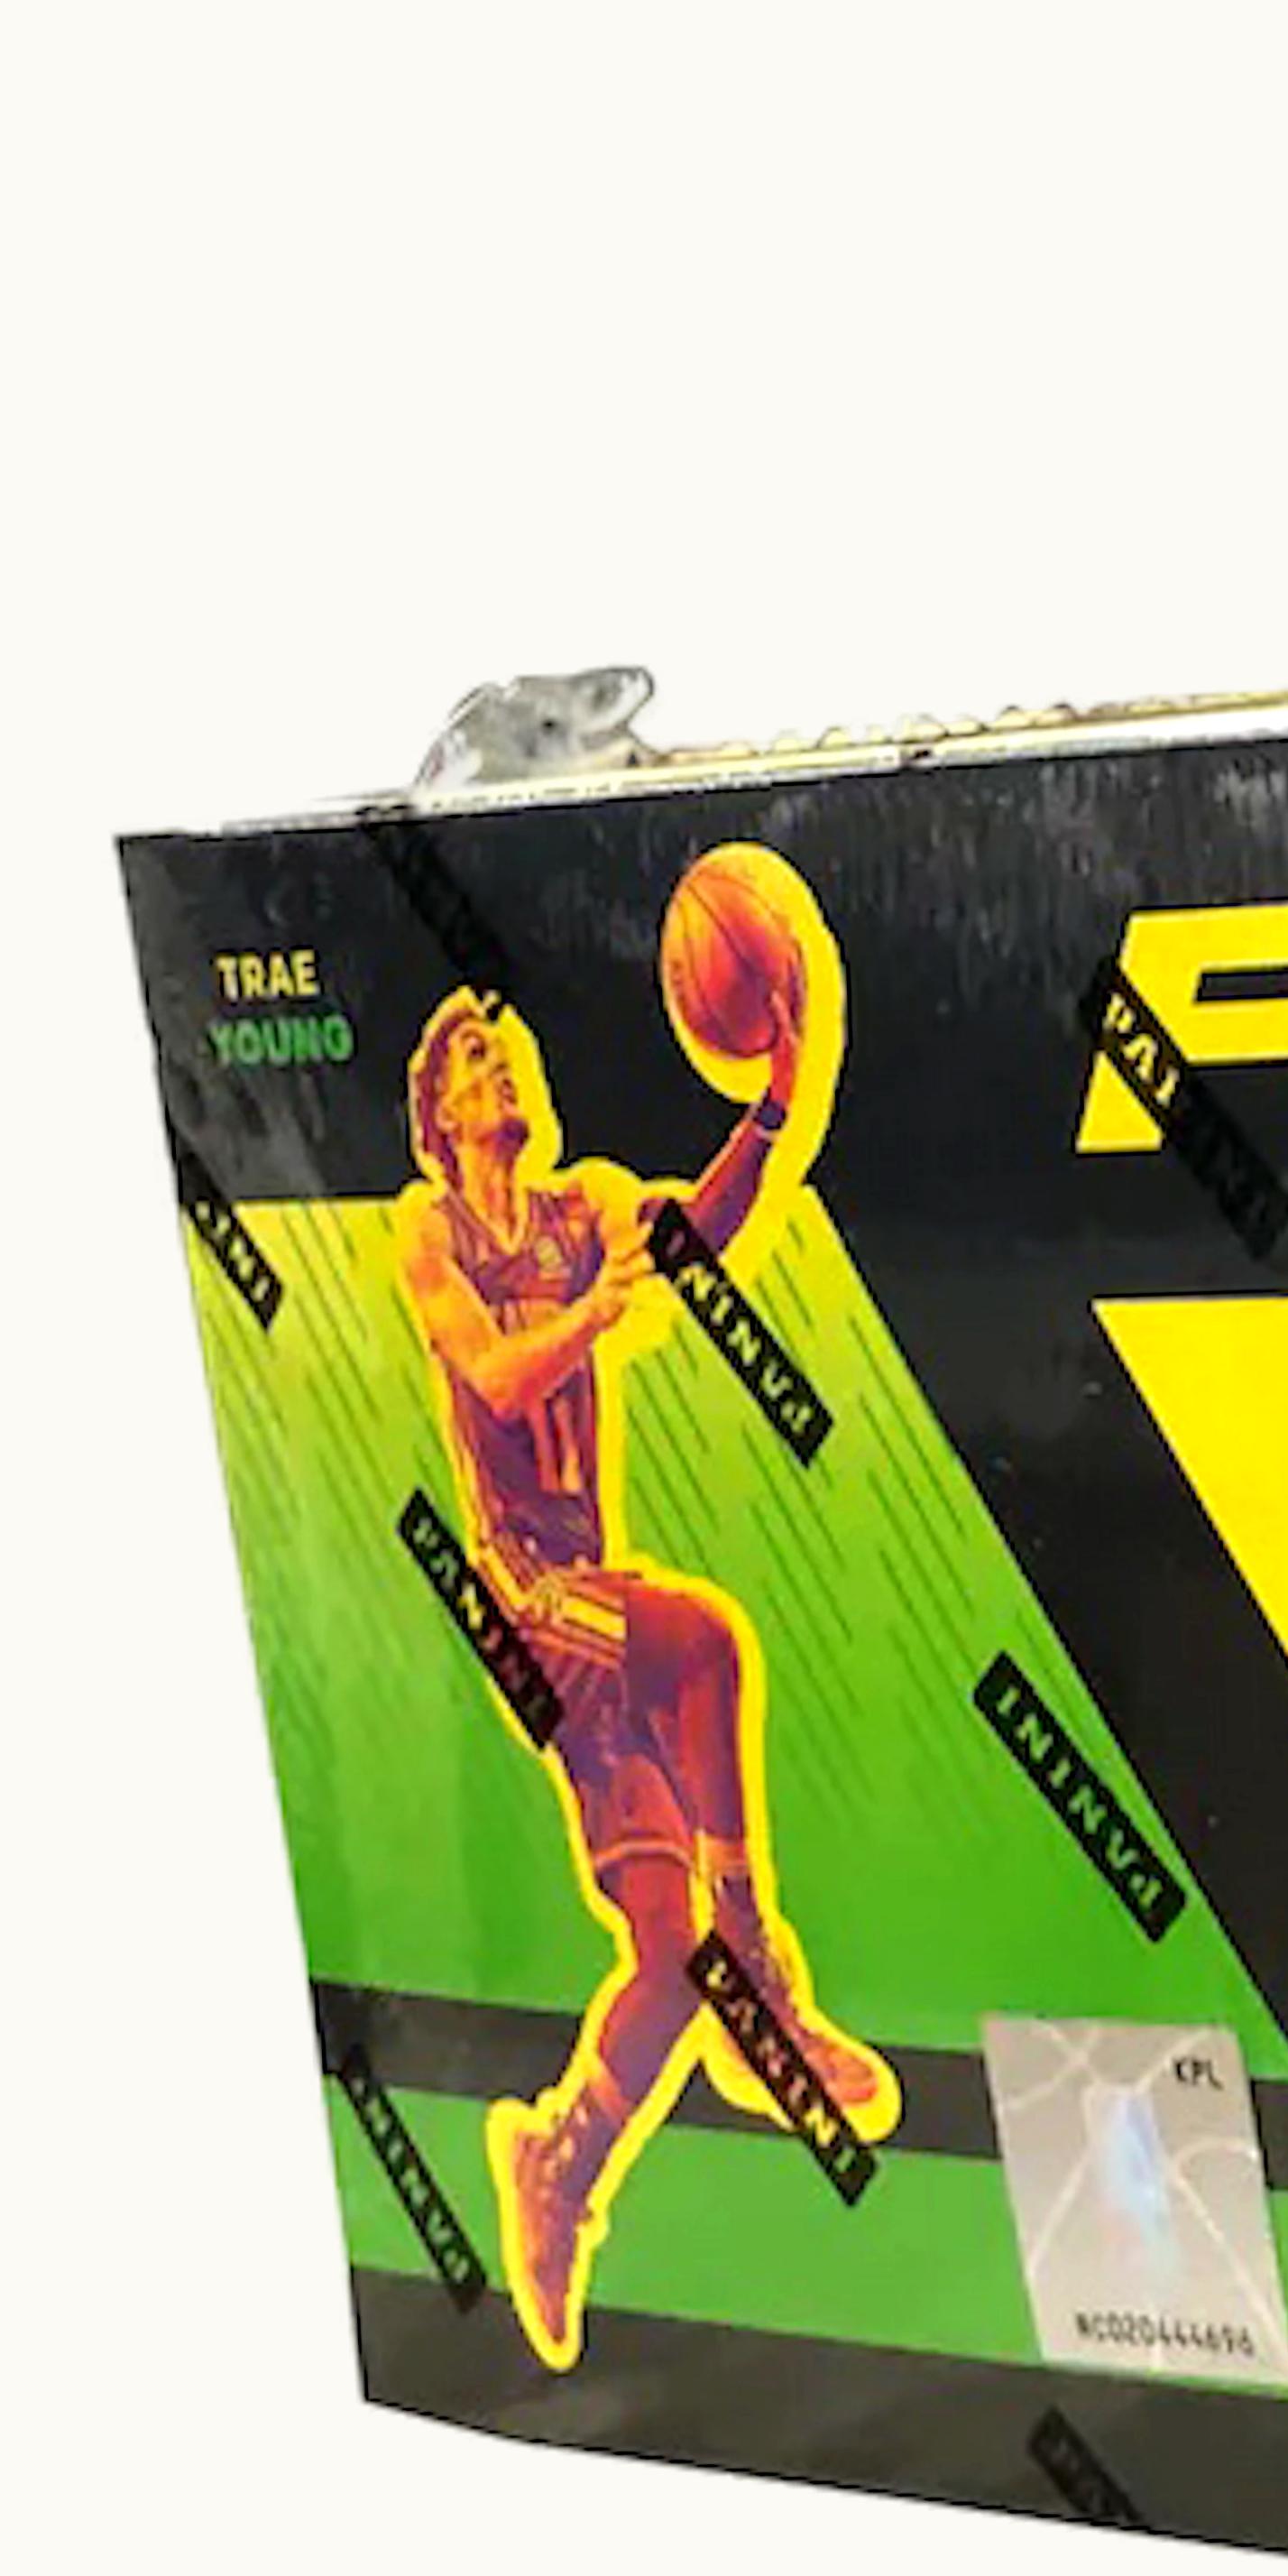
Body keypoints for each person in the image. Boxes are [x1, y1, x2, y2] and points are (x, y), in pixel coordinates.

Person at [393, 953, 893, 2369]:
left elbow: (699, 1232)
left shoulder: (586, 1208)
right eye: (475, 1062)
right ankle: (765, 1965)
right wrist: (597, 1313)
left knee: (669, 1962)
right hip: (521, 1603)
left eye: (508, 1053)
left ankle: (559, 2166)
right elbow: (496, 1378)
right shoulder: (428, 1232)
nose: (503, 1068)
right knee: (706, 1636)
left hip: (591, 1600)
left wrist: (774, 1106)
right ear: (440, 1116)